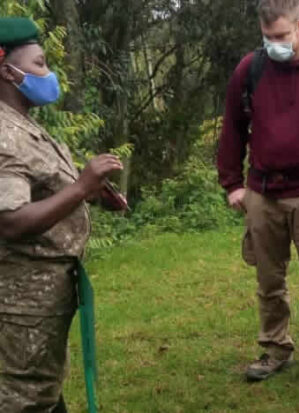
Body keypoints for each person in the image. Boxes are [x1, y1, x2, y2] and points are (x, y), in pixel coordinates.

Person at [217, 0, 299, 386]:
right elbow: (233, 128)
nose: (273, 44)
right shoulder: (251, 68)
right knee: (268, 281)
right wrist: (232, 184)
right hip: (263, 190)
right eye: (267, 37)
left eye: (280, 36)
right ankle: (275, 348)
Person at [0, 18, 124, 412]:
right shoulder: (3, 135)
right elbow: (11, 221)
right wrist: (82, 187)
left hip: (42, 293)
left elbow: (44, 187)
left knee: (43, 384)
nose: (48, 74)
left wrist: (90, 193)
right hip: (21, 298)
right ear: (7, 71)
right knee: (23, 394)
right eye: (39, 64)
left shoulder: (23, 124)